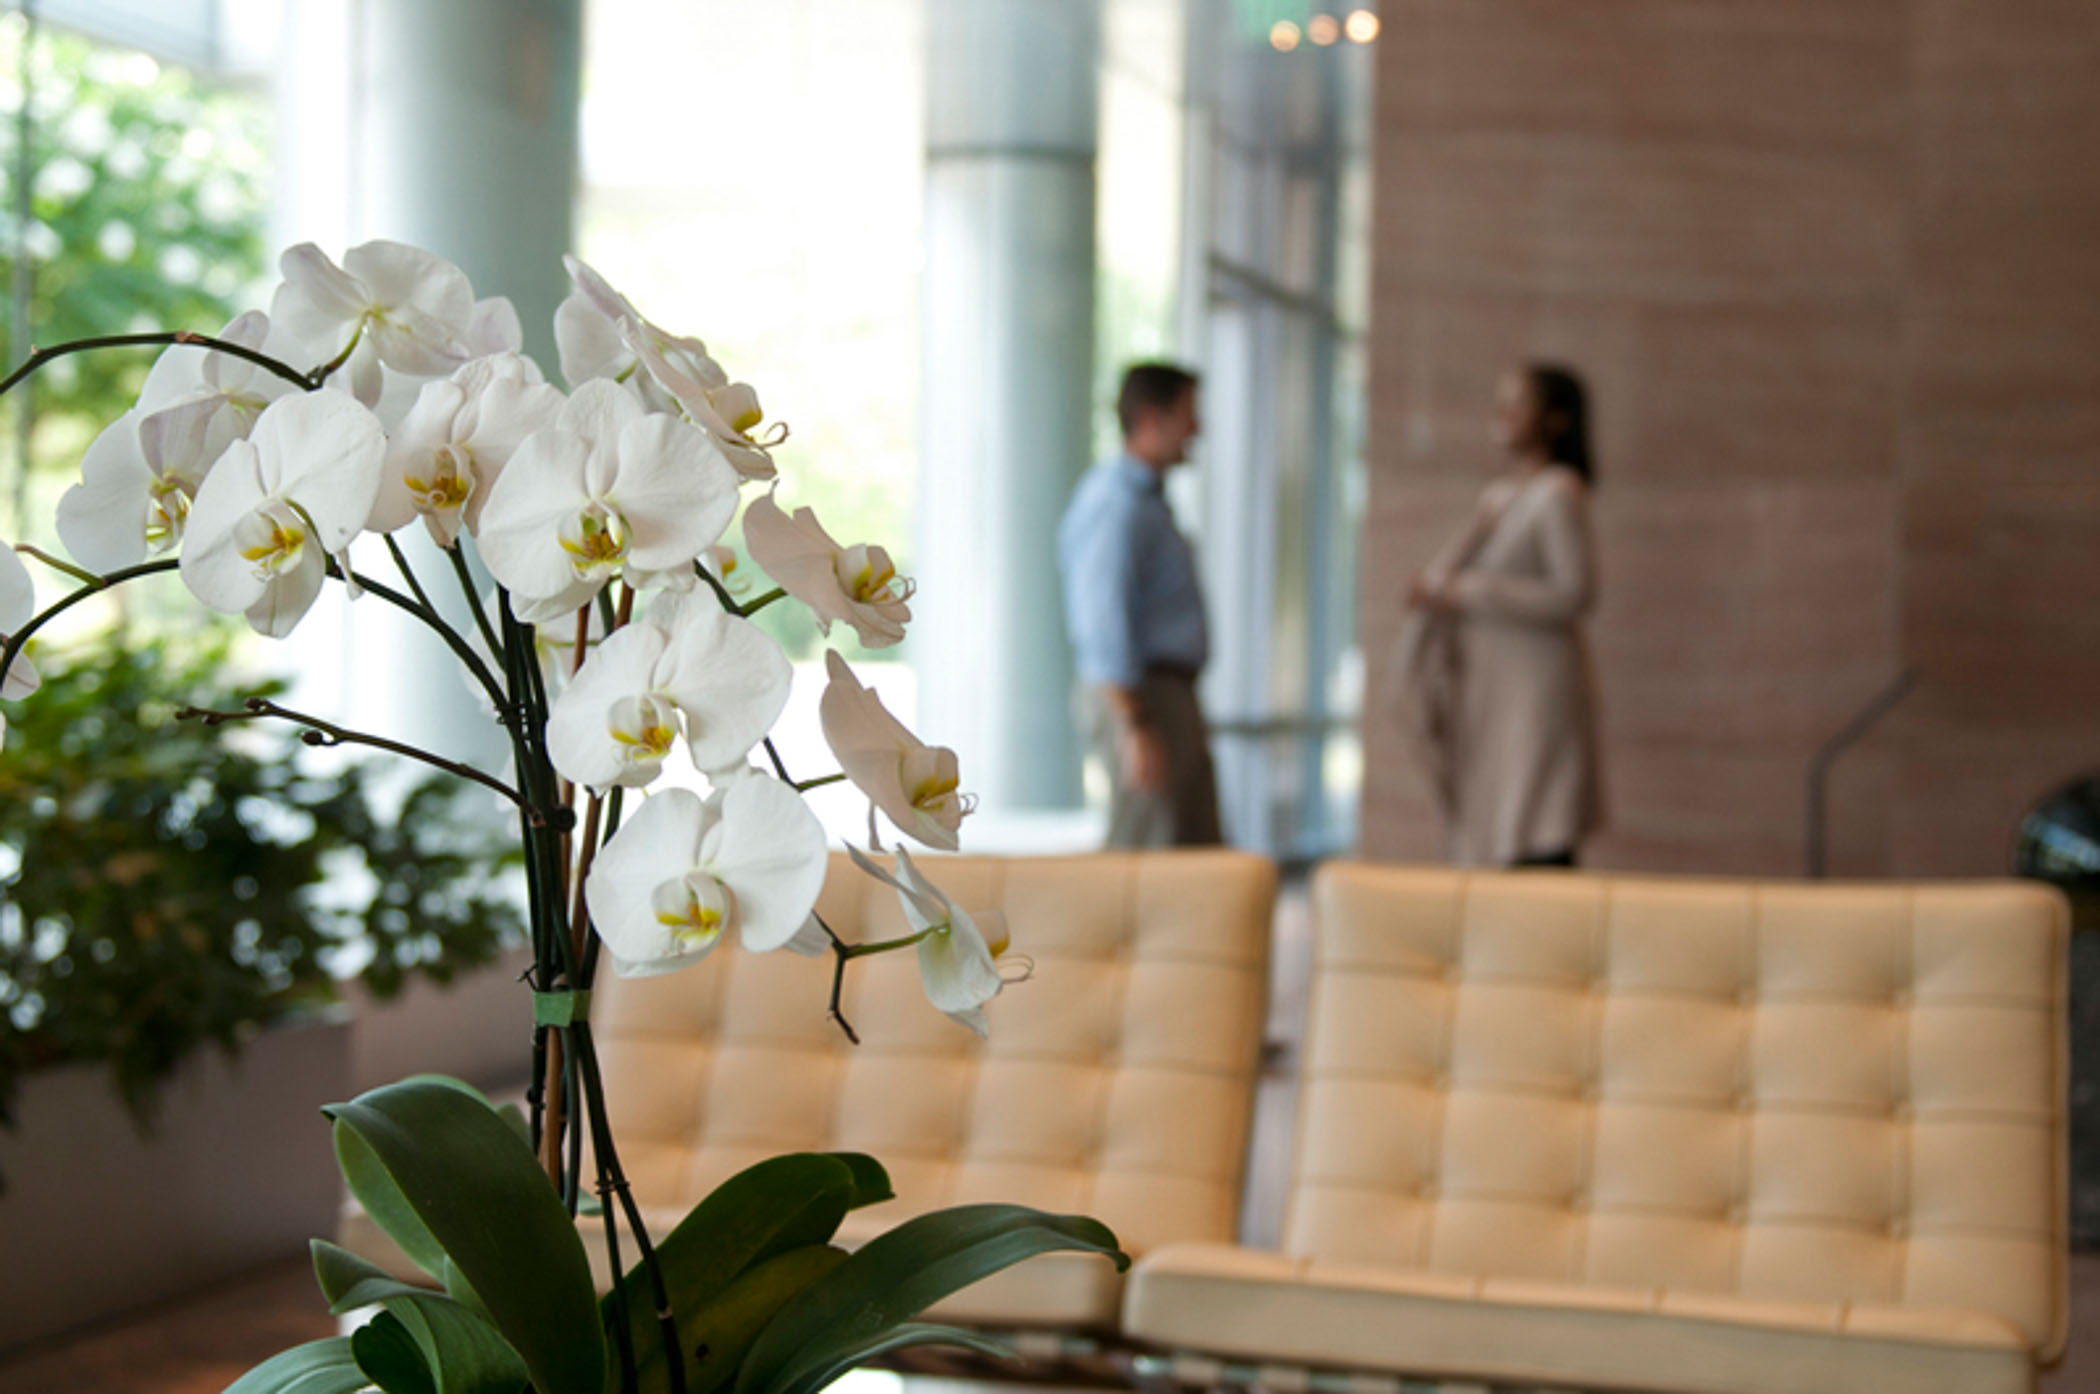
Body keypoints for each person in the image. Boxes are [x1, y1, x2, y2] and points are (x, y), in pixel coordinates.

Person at [1398, 363, 1603, 867]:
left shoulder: (1557, 493)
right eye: (1501, 401)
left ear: (1554, 419)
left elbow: (1574, 593)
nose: (1503, 414)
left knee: (1535, 824)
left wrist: (1466, 591)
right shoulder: (1502, 496)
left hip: (1535, 691)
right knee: (1497, 827)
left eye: (1518, 403)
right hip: (1494, 689)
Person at [1058, 362, 1222, 847]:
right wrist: (1135, 724)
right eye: (1188, 414)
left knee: (1188, 853)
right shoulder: (1115, 502)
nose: (1198, 428)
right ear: (1152, 418)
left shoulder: (1146, 501)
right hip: (1142, 699)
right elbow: (1100, 617)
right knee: (1145, 860)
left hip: (1164, 696)